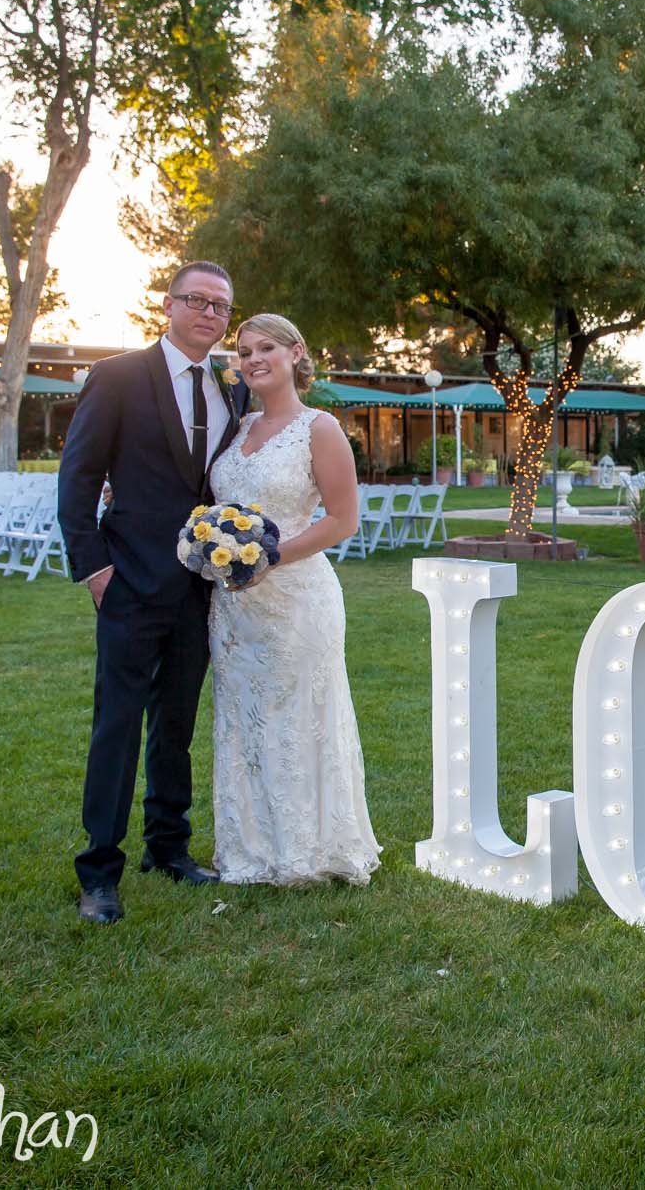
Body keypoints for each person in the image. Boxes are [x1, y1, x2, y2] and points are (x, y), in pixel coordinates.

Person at [57, 261, 246, 924]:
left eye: (220, 306)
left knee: (176, 727)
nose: (209, 313)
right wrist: (95, 569)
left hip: (201, 591)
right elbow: (78, 476)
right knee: (116, 726)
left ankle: (169, 847)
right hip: (130, 583)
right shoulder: (118, 377)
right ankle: (99, 871)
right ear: (168, 305)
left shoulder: (234, 387)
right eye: (196, 300)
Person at [204, 313, 380, 885]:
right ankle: (252, 848)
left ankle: (311, 850)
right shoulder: (238, 427)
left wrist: (271, 557)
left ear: (295, 352)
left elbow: (343, 519)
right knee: (243, 720)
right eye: (244, 351)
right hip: (234, 607)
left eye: (266, 349)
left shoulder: (319, 428)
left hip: (298, 598)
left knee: (300, 717)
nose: (253, 359)